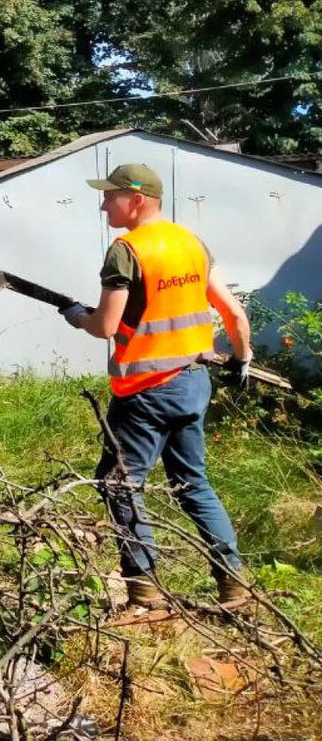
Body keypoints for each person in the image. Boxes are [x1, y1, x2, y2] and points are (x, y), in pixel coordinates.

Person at [60, 162, 254, 610]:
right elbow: (234, 315)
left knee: (118, 484)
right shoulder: (191, 243)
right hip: (193, 381)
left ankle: (145, 593)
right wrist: (241, 359)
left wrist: (76, 316)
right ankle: (234, 584)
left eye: (110, 196)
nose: (103, 203)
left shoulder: (126, 250)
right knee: (193, 483)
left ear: (137, 200)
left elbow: (106, 325)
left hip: (146, 391)